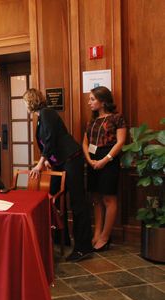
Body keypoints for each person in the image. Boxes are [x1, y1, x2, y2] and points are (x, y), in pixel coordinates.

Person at [23, 89, 93, 262]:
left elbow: (49, 140)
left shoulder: (46, 113)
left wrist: (40, 163)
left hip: (71, 159)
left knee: (77, 202)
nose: (24, 105)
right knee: (50, 197)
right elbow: (51, 143)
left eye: (25, 101)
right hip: (61, 161)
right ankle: (61, 239)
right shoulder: (42, 115)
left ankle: (83, 248)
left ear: (30, 102)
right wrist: (50, 160)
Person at [82, 86, 126, 252]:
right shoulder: (91, 121)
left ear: (103, 101)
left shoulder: (117, 118)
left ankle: (105, 237)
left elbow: (120, 142)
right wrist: (89, 160)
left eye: (92, 99)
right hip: (93, 161)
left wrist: (105, 160)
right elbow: (85, 143)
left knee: (109, 199)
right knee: (96, 198)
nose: (89, 102)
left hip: (110, 160)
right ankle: (97, 233)